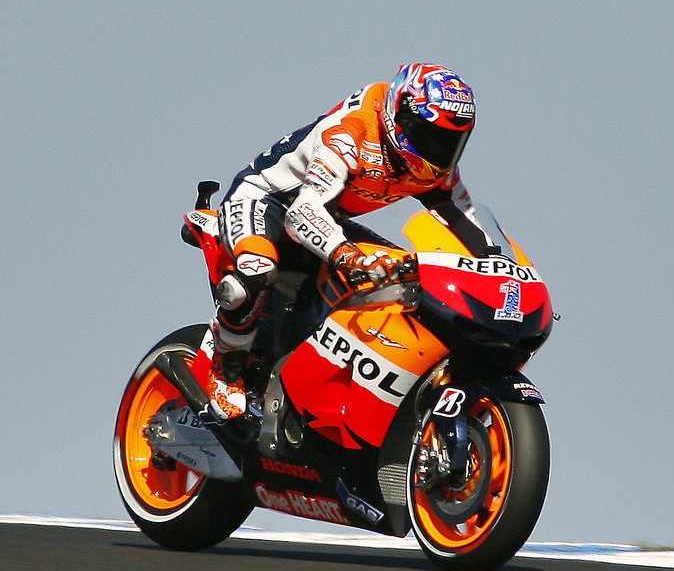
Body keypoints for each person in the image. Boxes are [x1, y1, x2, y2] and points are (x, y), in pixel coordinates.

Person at [198, 63, 480, 421]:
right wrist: (346, 255)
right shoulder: (351, 133)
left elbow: (465, 221)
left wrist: (499, 266)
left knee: (403, 279)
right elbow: (302, 213)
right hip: (266, 200)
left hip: (327, 218)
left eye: (449, 142)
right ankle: (226, 368)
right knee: (255, 270)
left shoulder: (436, 169)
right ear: (399, 114)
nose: (437, 150)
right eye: (427, 136)